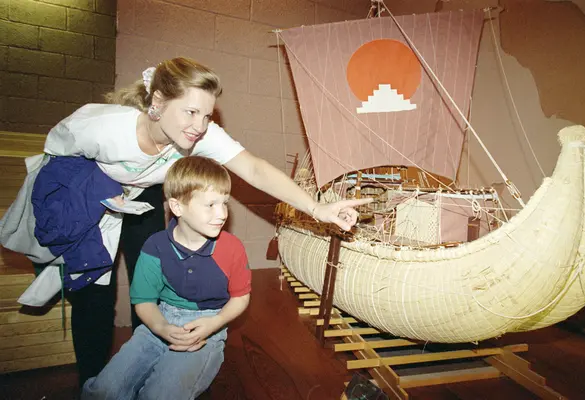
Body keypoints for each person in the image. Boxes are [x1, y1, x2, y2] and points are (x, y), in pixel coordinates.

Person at [0, 57, 372, 387]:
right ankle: (93, 383)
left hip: (143, 193)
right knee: (94, 294)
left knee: (150, 274)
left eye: (207, 115)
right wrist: (93, 198)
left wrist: (317, 208)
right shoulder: (101, 128)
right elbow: (56, 165)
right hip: (92, 190)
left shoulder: (198, 136)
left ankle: (149, 361)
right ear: (158, 102)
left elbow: (254, 169)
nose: (199, 125)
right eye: (191, 112)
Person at [81, 156, 250, 399]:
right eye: (211, 204)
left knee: (159, 394)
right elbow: (144, 301)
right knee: (104, 390)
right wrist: (160, 326)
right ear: (177, 207)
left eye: (224, 203)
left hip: (207, 327)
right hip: (158, 321)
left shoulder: (232, 248)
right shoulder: (155, 246)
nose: (222, 213)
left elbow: (240, 297)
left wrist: (215, 323)